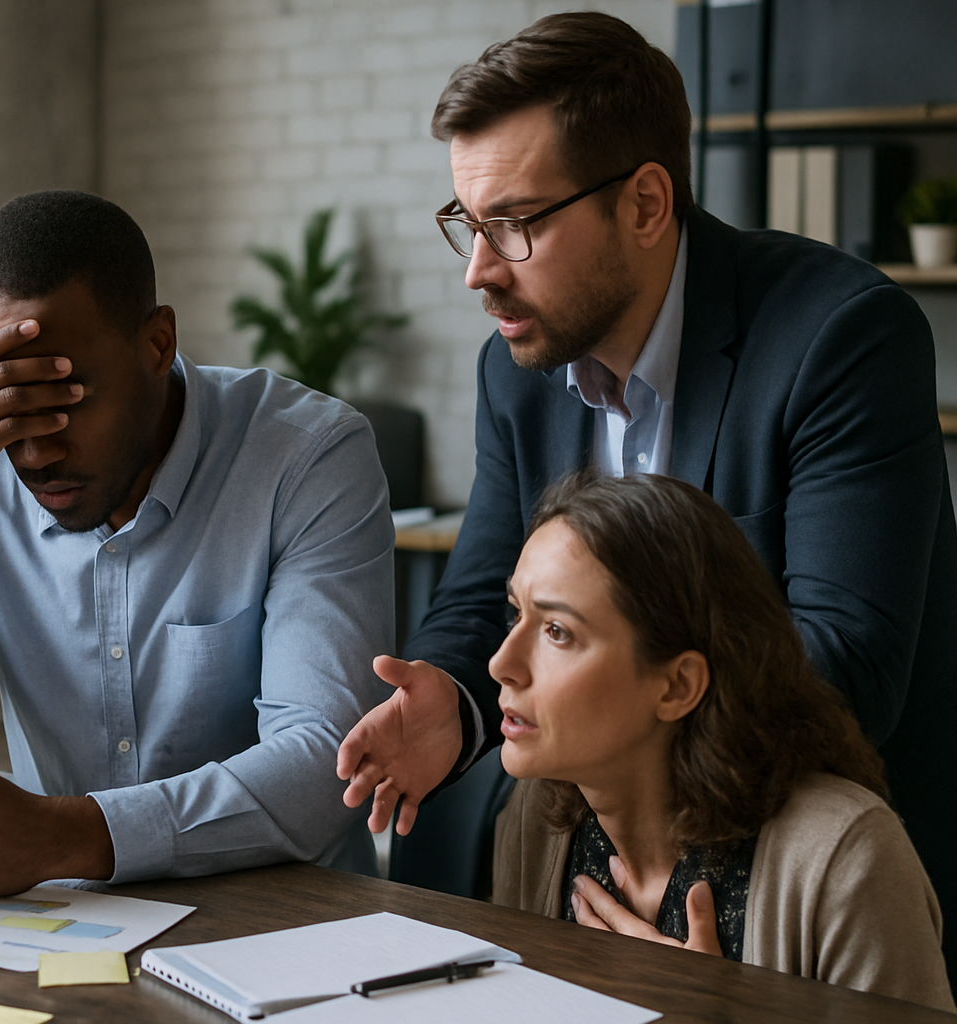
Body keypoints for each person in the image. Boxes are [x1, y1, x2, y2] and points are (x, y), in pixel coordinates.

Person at [335, 11, 957, 978]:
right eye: (468, 221)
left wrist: (657, 849)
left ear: (646, 204)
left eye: (516, 225)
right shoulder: (516, 371)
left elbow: (846, 668)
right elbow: (478, 596)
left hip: (808, 871)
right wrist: (455, 702)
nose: (478, 271)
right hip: (606, 842)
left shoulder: (842, 338)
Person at [0, 189, 392, 899]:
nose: (37, 450)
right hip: (72, 933)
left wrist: (59, 835)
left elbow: (325, 767)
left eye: (68, 396)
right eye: (10, 402)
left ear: (157, 345)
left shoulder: (309, 457)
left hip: (286, 921)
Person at [490, 471, 953, 1011]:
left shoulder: (847, 859)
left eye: (557, 632)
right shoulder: (540, 817)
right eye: (517, 613)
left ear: (679, 685)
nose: (501, 663)